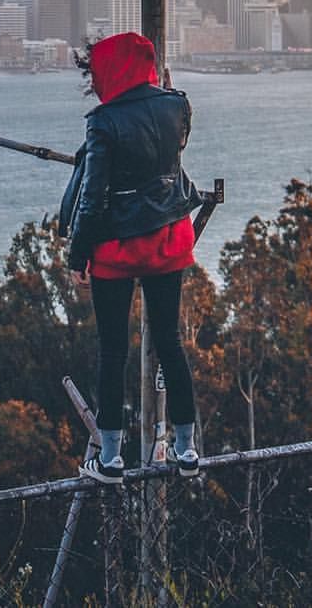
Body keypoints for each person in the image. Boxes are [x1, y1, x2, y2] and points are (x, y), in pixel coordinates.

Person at [66, 32, 202, 483]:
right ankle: (186, 448)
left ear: (110, 70)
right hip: (168, 240)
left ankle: (110, 457)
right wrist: (165, 86)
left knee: (112, 350)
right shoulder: (176, 105)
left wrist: (77, 256)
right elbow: (172, 152)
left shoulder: (103, 122)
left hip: (118, 249)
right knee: (170, 343)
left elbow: (92, 198)